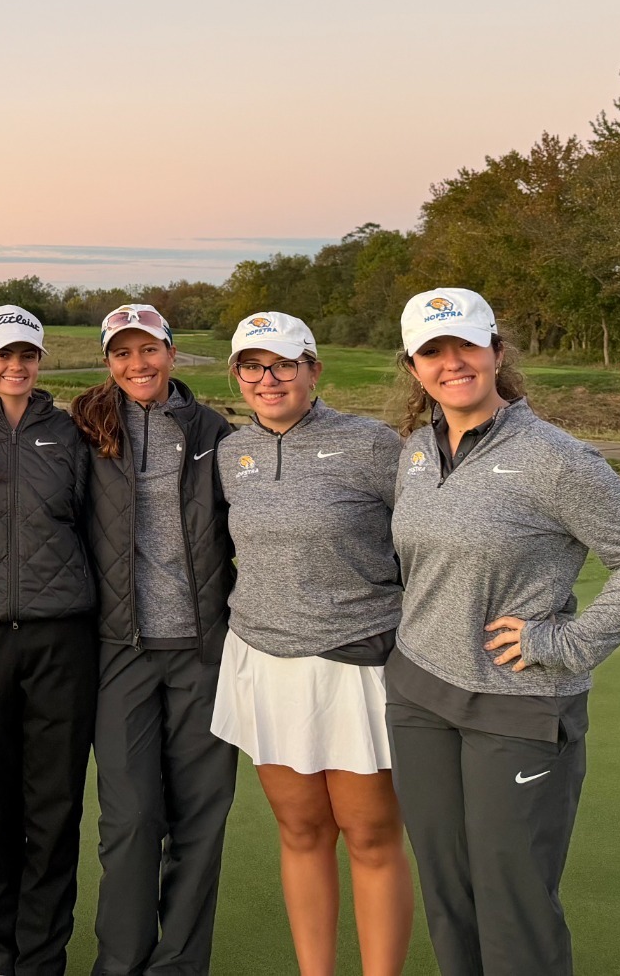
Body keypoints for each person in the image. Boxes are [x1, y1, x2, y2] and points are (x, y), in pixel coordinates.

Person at [386, 288, 620, 976]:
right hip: (419, 696)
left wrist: (562, 643)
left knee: (512, 898)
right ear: (414, 367)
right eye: (433, 351)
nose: (452, 363)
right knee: (449, 891)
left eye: (466, 345)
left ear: (495, 351)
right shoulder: (416, 451)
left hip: (517, 706)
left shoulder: (556, 458)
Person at [210, 312, 412, 976]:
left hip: (356, 663)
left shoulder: (371, 444)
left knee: (371, 836)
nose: (268, 379)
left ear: (313, 370)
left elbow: (427, 540)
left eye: (283, 365)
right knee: (301, 832)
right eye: (252, 366)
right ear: (238, 375)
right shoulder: (231, 453)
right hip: (266, 663)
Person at [72, 304, 237, 976]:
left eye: (149, 350)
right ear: (108, 362)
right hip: (121, 651)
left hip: (203, 650)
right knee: (131, 820)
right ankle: (121, 963)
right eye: (123, 353)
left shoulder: (214, 432)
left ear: (171, 353)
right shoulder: (87, 429)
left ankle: (179, 966)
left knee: (199, 822)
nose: (137, 364)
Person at [0, 305, 97, 976]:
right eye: (2, 354)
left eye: (27, 354)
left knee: (55, 810)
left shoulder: (69, 435)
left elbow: (93, 525)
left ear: (40, 360)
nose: (15, 365)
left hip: (62, 639)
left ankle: (42, 956)